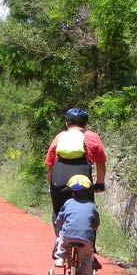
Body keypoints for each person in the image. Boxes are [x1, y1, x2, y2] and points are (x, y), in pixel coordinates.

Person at [45, 108, 106, 266]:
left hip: (58, 179)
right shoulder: (92, 137)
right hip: (82, 181)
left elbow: (50, 166)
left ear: (67, 123)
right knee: (88, 212)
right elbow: (100, 164)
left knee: (58, 210)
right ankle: (90, 251)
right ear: (85, 124)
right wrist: (99, 183)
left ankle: (60, 246)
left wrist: (51, 185)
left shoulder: (60, 137)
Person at [54, 175, 100, 275]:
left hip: (68, 236)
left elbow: (60, 219)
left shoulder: (68, 203)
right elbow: (96, 223)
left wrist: (58, 223)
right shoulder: (92, 206)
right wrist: (92, 229)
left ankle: (60, 257)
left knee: (61, 236)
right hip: (86, 238)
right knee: (87, 257)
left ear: (72, 192)